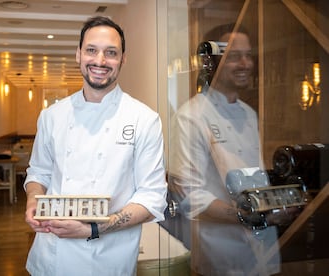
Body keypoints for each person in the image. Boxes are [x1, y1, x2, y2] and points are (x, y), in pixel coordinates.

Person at [24, 16, 167, 276]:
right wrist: (34, 199)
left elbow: (152, 198)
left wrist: (92, 229)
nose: (100, 61)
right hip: (52, 256)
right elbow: (38, 172)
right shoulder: (52, 116)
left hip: (110, 260)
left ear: (123, 59)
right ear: (78, 54)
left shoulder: (144, 119)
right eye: (91, 50)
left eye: (111, 53)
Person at [168, 23, 282, 275]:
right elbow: (189, 197)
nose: (245, 63)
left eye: (248, 55)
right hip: (220, 257)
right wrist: (250, 215)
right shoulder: (191, 117)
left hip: (264, 251)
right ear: (211, 62)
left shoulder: (249, 114)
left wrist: (277, 205)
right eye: (233, 56)